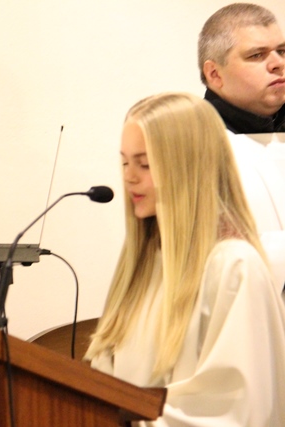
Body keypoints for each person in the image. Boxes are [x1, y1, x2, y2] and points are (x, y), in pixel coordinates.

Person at [86, 93, 285, 426]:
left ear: (188, 167)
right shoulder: (145, 263)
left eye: (145, 164)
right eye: (125, 163)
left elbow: (235, 410)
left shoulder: (234, 268)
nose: (129, 177)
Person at [198, 2, 285, 294]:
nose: (277, 63)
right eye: (257, 55)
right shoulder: (193, 146)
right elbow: (209, 256)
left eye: (282, 51)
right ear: (214, 74)